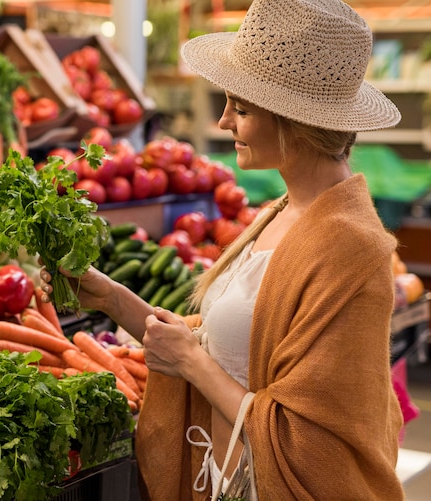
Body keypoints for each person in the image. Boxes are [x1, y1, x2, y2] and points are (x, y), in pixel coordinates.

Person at [40, 0, 406, 499]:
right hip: (226, 480)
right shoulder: (283, 210)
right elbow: (228, 344)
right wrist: (111, 299)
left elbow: (312, 441)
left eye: (243, 107)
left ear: (293, 121)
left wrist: (191, 363)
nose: (224, 121)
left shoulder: (351, 248)